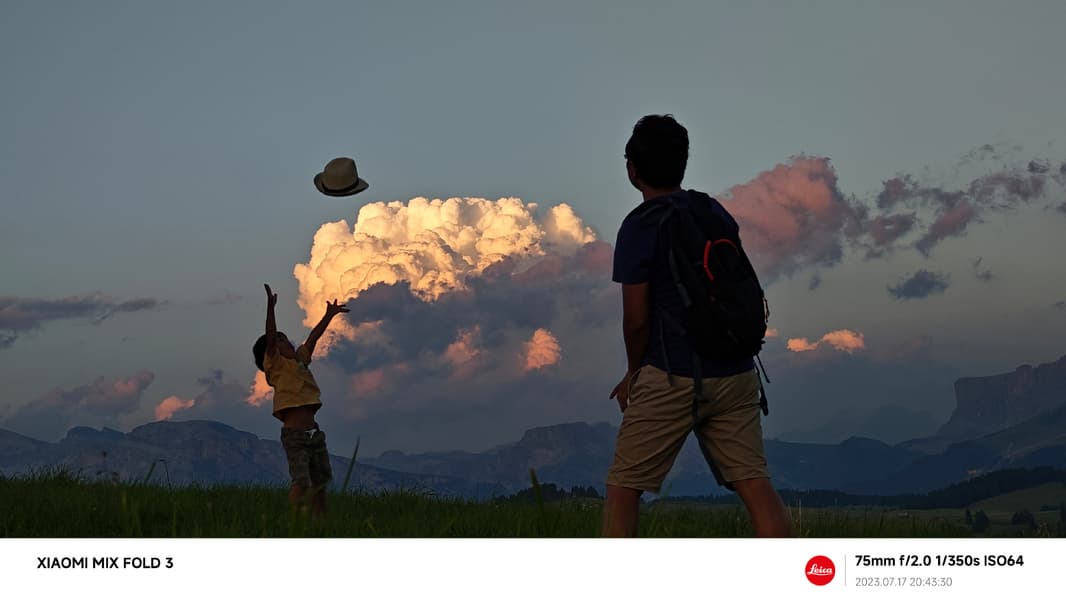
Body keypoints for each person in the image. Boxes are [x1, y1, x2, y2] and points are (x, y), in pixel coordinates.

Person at [602, 114, 793, 537]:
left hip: (672, 375)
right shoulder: (712, 210)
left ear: (632, 170)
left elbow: (636, 320)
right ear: (683, 164)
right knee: (754, 483)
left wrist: (634, 373)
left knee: (624, 487)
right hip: (737, 370)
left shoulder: (639, 225)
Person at [253, 283, 349, 515]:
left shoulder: (300, 361)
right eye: (281, 341)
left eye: (287, 339)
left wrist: (329, 315)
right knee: (301, 481)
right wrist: (271, 309)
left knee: (321, 482)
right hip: (295, 436)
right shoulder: (276, 365)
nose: (287, 343)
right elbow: (271, 337)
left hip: (314, 434)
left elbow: (313, 338)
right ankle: (293, 523)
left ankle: (320, 524)